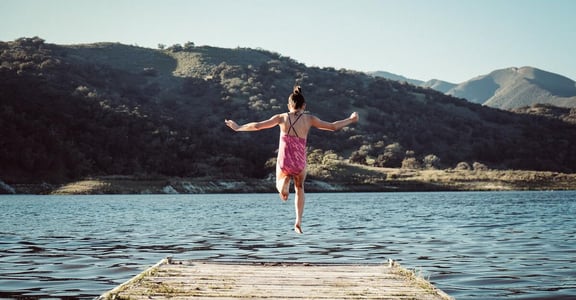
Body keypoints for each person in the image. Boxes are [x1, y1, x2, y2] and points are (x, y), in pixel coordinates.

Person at [224, 86, 359, 234]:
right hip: (299, 162)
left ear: (288, 105)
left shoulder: (281, 117)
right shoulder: (309, 119)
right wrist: (351, 119)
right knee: (300, 188)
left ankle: (283, 184)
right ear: (304, 106)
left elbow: (257, 126)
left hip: (285, 160)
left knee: (280, 182)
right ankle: (298, 221)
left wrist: (238, 127)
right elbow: (333, 126)